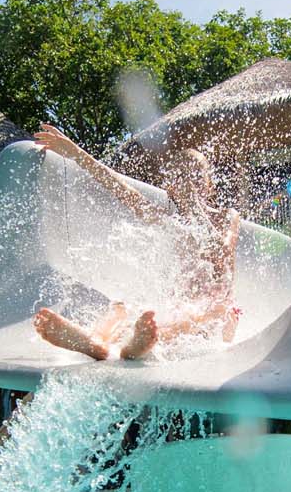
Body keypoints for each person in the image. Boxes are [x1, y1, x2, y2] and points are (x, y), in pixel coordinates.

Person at [29, 123, 242, 361]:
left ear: (210, 185)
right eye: (182, 177)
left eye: (196, 175)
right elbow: (120, 188)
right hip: (179, 310)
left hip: (218, 317)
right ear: (171, 188)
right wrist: (75, 153)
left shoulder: (226, 217)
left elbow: (221, 251)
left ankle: (135, 346)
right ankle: (96, 341)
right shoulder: (167, 221)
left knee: (200, 316)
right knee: (122, 308)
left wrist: (193, 205)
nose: (189, 182)